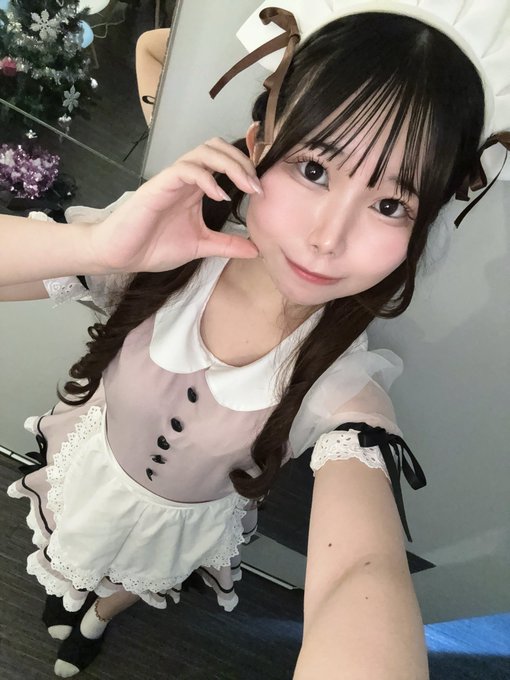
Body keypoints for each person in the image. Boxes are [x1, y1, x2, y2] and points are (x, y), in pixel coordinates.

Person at [4, 1, 509, 677]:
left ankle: (96, 618)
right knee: (79, 546)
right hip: (96, 478)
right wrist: (96, 246)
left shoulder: (340, 385)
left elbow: (360, 572)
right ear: (258, 145)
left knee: (139, 576)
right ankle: (74, 597)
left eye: (390, 205)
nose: (328, 238)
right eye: (314, 169)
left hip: (181, 528)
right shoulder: (165, 261)